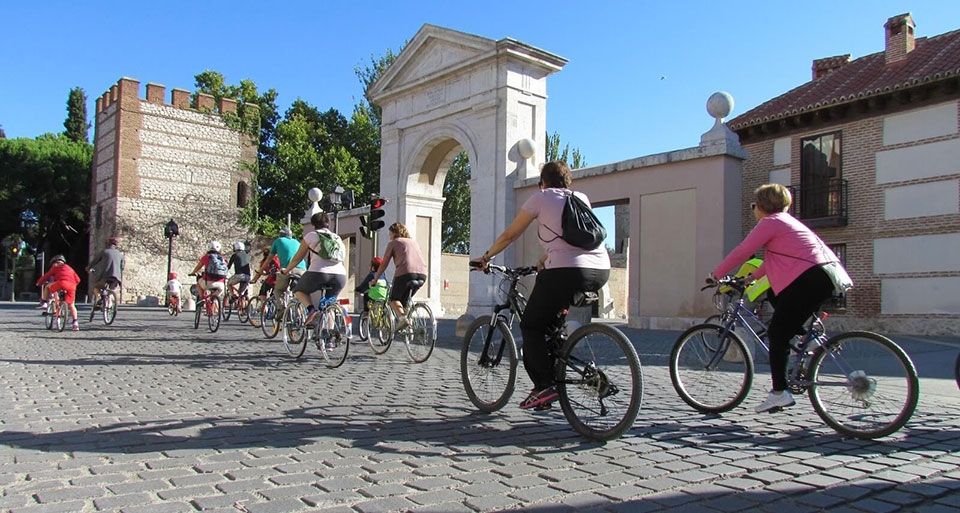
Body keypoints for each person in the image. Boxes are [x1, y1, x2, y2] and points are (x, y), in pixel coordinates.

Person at [471, 161, 610, 411]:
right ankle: (560, 367)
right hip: (600, 270)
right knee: (551, 326)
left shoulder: (541, 197)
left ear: (542, 182)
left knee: (531, 325)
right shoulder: (581, 198)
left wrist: (486, 257)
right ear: (567, 182)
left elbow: (511, 234)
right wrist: (544, 259)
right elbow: (574, 238)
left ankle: (544, 386)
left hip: (565, 271)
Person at [711, 183, 847, 413]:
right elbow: (771, 262)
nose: (753, 210)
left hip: (810, 279)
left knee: (777, 334)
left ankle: (779, 393)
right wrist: (749, 279)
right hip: (825, 276)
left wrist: (716, 274)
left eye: (754, 205)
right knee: (775, 293)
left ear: (762, 205)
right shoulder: (788, 222)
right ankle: (808, 339)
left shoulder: (770, 222)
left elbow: (743, 250)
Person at [283, 212, 347, 325]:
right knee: (329, 305)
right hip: (340, 276)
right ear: (328, 223)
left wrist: (286, 270)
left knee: (298, 290)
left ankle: (312, 310)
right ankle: (329, 333)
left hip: (318, 273)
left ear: (313, 224)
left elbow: (297, 258)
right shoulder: (337, 237)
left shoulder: (311, 236)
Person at [369, 223, 426, 330]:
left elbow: (384, 263)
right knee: (403, 301)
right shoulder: (414, 242)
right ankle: (410, 326)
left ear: (395, 233)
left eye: (390, 233)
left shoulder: (394, 243)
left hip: (406, 273)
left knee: (393, 299)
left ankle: (403, 320)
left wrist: (375, 279)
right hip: (422, 274)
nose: (389, 236)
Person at [35, 255, 82, 331]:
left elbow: (46, 276)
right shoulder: (70, 268)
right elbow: (78, 280)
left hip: (61, 283)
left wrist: (39, 283)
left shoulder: (56, 267)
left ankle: (44, 302)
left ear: (55, 262)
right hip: (72, 286)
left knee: (47, 287)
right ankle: (75, 323)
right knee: (71, 305)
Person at [271, 227, 305, 301]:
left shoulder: (279, 240)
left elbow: (268, 259)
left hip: (287, 269)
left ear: (280, 234)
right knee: (299, 291)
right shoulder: (297, 242)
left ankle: (282, 308)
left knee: (278, 290)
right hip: (302, 270)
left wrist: (258, 274)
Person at [86, 236, 125, 301]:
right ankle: (110, 301)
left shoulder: (104, 252)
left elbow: (95, 261)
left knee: (96, 287)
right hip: (116, 278)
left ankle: (99, 299)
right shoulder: (120, 255)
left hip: (105, 276)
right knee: (112, 289)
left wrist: (88, 268)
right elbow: (122, 267)